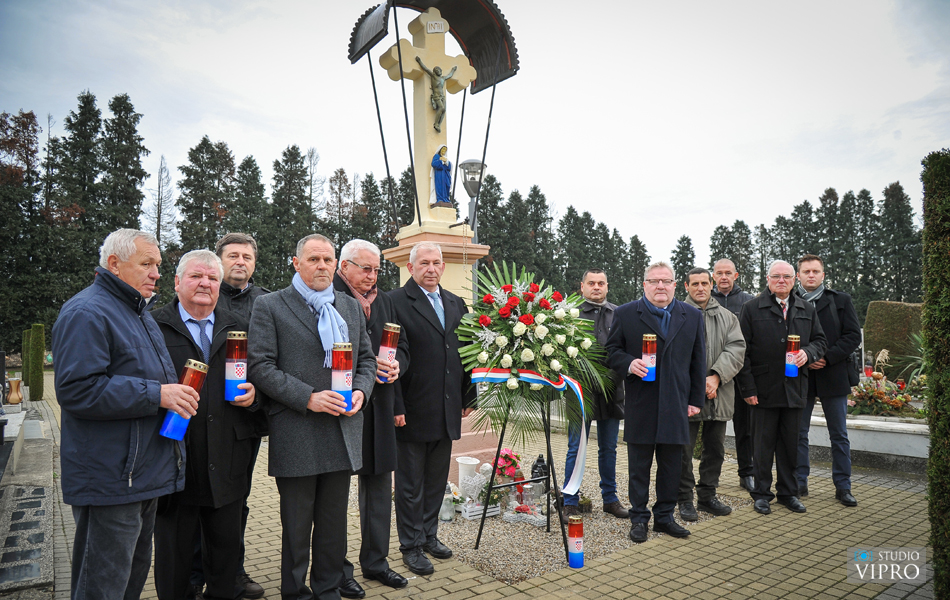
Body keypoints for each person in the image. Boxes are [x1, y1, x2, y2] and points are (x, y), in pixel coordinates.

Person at [52, 229, 197, 600]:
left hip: (140, 475)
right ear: (114, 264)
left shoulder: (138, 312)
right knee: (102, 588)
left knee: (130, 581)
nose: (156, 273)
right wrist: (158, 394)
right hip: (111, 481)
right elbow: (77, 390)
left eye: (158, 265)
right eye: (146, 264)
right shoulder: (86, 312)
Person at [247, 234, 376, 600]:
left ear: (336, 264)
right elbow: (260, 366)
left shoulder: (349, 307)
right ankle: (294, 591)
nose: (322, 266)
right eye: (314, 259)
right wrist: (308, 398)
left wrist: (361, 391)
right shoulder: (270, 305)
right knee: (297, 526)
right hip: (297, 431)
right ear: (296, 263)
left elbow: (366, 360)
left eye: (327, 259)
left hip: (341, 429)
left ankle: (328, 588)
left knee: (333, 525)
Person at [152, 250, 263, 600]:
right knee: (174, 558)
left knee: (225, 557)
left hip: (228, 459)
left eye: (213, 278)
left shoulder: (240, 326)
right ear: (177, 282)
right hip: (174, 458)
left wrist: (255, 395)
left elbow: (263, 377)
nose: (205, 284)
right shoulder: (153, 326)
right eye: (196, 276)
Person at [389, 242, 475, 576]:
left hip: (447, 407)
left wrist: (469, 396)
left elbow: (467, 352)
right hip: (411, 409)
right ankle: (410, 546)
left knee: (436, 480)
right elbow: (390, 357)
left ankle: (429, 536)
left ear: (443, 266)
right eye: (424, 263)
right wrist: (395, 404)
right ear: (411, 268)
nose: (431, 268)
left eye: (436, 262)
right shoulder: (395, 302)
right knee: (410, 485)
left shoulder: (455, 302)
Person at [606, 261, 706, 543]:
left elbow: (699, 360)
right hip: (642, 403)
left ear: (674, 285)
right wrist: (629, 363)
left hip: (676, 403)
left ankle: (664, 517)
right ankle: (639, 518)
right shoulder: (626, 313)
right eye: (654, 281)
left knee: (672, 467)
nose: (660, 286)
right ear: (644, 285)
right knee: (639, 468)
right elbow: (611, 351)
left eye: (666, 281)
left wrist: (695, 399)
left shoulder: (692, 315)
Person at [333, 240, 410, 598]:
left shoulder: (385, 300)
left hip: (379, 408)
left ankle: (376, 562)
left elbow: (402, 346)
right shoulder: (328, 296)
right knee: (333, 497)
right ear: (344, 266)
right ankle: (337, 570)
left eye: (377, 269)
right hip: (342, 408)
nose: (372, 276)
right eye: (365, 268)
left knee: (378, 492)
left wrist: (397, 366)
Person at [737, 260, 826, 515]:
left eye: (786, 276)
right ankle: (761, 494)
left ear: (794, 279)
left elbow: (820, 341)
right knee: (762, 447)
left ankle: (788, 493)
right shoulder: (751, 308)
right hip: (763, 389)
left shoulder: (806, 308)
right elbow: (742, 351)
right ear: (768, 279)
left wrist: (808, 353)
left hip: (794, 388)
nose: (781, 281)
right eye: (776, 276)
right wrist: (748, 389)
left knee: (790, 446)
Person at [210, 232, 269, 599]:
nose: (240, 262)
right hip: (203, 415)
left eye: (247, 257)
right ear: (219, 260)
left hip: (247, 418)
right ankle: (196, 573)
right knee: (199, 499)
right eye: (233, 255)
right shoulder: (203, 294)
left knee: (237, 501)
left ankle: (234, 570)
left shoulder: (267, 302)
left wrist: (258, 396)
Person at [677, 268, 746, 522]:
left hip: (720, 392)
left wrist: (716, 376)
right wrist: (695, 383)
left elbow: (737, 349)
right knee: (683, 451)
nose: (700, 288)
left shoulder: (728, 317)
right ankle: (684, 498)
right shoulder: (676, 314)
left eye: (704, 283)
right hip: (686, 395)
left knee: (715, 449)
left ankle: (707, 495)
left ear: (711, 284)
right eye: (694, 284)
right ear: (686, 286)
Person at [562, 269, 628, 524]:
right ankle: (570, 501)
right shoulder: (570, 314)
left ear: (607, 286)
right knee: (576, 448)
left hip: (612, 390)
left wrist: (610, 379)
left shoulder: (619, 313)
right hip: (580, 392)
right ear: (582, 286)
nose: (596, 287)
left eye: (601, 283)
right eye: (591, 283)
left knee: (609, 448)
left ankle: (610, 499)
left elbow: (625, 350)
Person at [795, 254, 860, 507]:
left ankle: (843, 486)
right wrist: (807, 358)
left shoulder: (840, 300)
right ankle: (799, 482)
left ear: (823, 274)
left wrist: (827, 357)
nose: (811, 275)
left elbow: (852, 335)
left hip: (833, 374)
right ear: (798, 275)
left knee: (839, 434)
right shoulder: (791, 301)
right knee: (799, 433)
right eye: (806, 271)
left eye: (815, 271)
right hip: (802, 375)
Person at [710, 258, 756, 492]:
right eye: (719, 273)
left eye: (728, 273)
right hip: (713, 374)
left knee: (745, 428)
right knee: (712, 429)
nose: (724, 277)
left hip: (741, 375)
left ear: (736, 276)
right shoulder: (705, 300)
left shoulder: (749, 301)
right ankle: (709, 476)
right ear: (713, 276)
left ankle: (747, 472)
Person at [415, 57, 457, 133]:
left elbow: (449, 75)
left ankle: (438, 125)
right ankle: (436, 124)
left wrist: (453, 70)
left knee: (444, 110)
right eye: (437, 70)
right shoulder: (433, 76)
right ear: (434, 72)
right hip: (436, 96)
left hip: (442, 96)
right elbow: (426, 69)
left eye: (439, 70)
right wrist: (419, 61)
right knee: (441, 108)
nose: (438, 71)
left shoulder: (443, 78)